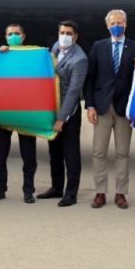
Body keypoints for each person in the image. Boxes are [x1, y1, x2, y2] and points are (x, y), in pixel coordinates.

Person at [84, 9, 135, 209]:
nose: (117, 25)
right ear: (107, 25)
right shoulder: (98, 47)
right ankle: (100, 192)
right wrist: (89, 105)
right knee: (99, 152)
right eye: (113, 23)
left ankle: (121, 193)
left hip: (124, 109)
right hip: (101, 107)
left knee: (122, 153)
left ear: (126, 24)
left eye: (120, 22)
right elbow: (90, 78)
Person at [38, 20, 88, 207]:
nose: (64, 36)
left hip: (69, 112)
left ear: (75, 37)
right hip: (52, 108)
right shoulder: (56, 47)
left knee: (70, 153)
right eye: (62, 32)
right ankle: (56, 187)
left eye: (68, 33)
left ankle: (71, 193)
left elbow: (75, 91)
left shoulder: (80, 59)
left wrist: (62, 118)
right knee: (54, 151)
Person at [0, 23, 38, 203]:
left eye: (17, 33)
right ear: (5, 36)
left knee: (29, 156)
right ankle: (0, 189)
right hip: (2, 111)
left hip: (25, 113)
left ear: (23, 36)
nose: (13, 37)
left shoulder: (32, 55)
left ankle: (28, 190)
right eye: (10, 34)